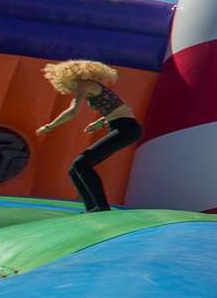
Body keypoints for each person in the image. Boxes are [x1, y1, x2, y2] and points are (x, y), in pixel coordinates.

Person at [36, 60, 141, 212]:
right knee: (75, 169)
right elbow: (123, 107)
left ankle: (101, 207)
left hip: (126, 128)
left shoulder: (84, 85)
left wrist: (49, 126)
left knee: (81, 163)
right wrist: (100, 122)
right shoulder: (95, 86)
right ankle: (92, 208)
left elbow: (73, 110)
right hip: (125, 127)